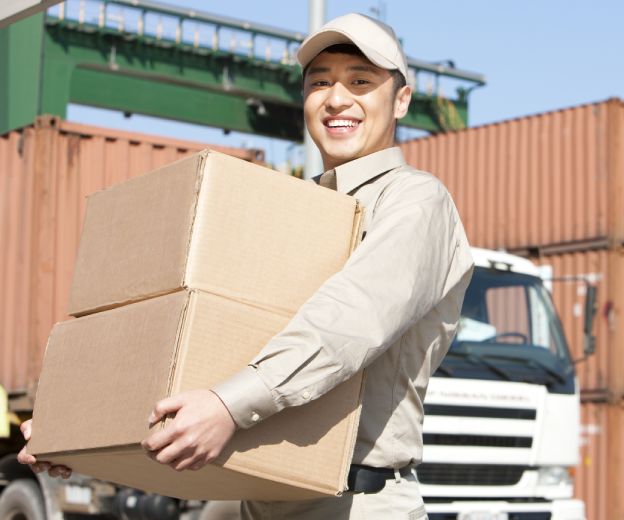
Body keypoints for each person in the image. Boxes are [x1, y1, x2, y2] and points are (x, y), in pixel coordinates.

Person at [19, 12, 474, 520]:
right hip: (260, 496)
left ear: (402, 100)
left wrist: (229, 405)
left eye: (360, 81)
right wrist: (76, 424)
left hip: (356, 505)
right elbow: (202, 339)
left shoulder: (416, 201)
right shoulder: (299, 210)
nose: (337, 98)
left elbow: (348, 320)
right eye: (319, 82)